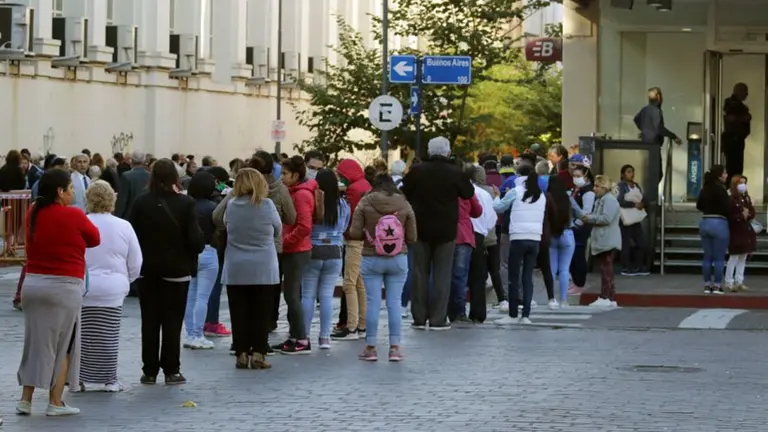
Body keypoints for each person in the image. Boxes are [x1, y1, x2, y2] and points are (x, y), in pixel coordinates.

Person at [16, 168, 101, 417]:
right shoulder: (73, 215)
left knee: (36, 344)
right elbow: (94, 238)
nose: (74, 193)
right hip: (64, 286)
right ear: (60, 192)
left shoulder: (33, 212)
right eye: (71, 189)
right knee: (65, 345)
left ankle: (25, 399)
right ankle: (55, 401)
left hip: (33, 284)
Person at [128, 159, 205, 385]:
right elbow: (195, 240)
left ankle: (149, 370)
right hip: (177, 270)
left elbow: (132, 236)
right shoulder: (186, 203)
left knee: (149, 321)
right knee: (173, 321)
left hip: (148, 270)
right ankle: (172, 369)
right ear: (175, 178)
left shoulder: (141, 203)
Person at [402, 137, 475, 330]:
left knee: (419, 272)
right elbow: (468, 193)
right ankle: (438, 318)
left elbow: (405, 191)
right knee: (442, 274)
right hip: (446, 229)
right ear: (447, 152)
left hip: (420, 228)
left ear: (429, 150)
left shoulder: (417, 172)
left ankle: (418, 317)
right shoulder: (455, 172)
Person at [78, 180, 141, 392]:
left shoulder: (81, 223)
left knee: (84, 336)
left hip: (84, 286)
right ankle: (109, 379)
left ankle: (81, 377)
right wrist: (128, 280)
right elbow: (136, 260)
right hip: (114, 286)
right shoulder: (124, 226)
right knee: (109, 334)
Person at [349, 174, 417, 361]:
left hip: (372, 258)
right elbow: (412, 237)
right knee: (394, 302)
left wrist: (368, 234)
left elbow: (354, 232)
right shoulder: (403, 203)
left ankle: (370, 347)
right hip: (398, 258)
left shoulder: (365, 202)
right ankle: (395, 348)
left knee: (373, 302)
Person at [221, 168, 281, 369]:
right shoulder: (267, 205)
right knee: (261, 312)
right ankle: (258, 353)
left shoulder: (231, 206)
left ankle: (240, 353)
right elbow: (278, 229)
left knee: (239, 312)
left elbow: (225, 225)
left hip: (236, 266)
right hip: (264, 265)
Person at [302, 169, 350, 350]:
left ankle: (304, 336)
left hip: (312, 249)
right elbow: (345, 226)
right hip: (335, 250)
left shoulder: (312, 202)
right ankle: (324, 338)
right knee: (327, 296)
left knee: (307, 294)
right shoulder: (343, 204)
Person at [492, 165, 547, 325]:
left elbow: (499, 208)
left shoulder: (515, 192)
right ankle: (526, 315)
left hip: (518, 237)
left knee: (513, 276)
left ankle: (513, 314)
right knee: (527, 277)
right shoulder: (541, 196)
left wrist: (496, 196)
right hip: (535, 238)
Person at [274, 155, 316, 355]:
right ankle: (293, 336)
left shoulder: (301, 195)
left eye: (285, 173)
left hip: (296, 251)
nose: (281, 177)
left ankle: (301, 338)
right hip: (291, 249)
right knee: (291, 295)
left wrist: (284, 242)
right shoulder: (292, 192)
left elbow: (304, 226)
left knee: (292, 296)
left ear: (296, 175)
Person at [332, 158, 372, 339]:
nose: (341, 179)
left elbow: (349, 217)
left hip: (354, 240)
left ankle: (352, 327)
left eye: (341, 175)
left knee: (349, 283)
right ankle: (362, 326)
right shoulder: (365, 185)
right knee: (359, 284)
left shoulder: (354, 190)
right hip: (364, 240)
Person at [183, 171, 220, 350]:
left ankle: (190, 334)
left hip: (190, 252)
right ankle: (198, 334)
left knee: (190, 296)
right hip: (208, 250)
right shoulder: (213, 207)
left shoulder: (187, 206)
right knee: (202, 297)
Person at [577, 175, 621, 307]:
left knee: (606, 269)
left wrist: (590, 219)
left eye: (597, 186)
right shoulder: (601, 200)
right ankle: (610, 297)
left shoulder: (609, 200)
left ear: (604, 187)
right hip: (602, 239)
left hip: (608, 239)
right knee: (605, 269)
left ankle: (606, 296)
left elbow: (606, 218)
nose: (594, 189)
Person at [465, 166, 497, 323]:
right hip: (479, 237)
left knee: (458, 275)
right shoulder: (484, 194)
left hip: (462, 235)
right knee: (478, 277)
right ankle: (478, 312)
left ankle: (456, 311)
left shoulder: (462, 193)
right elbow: (492, 219)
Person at [634, 87, 682, 182]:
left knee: (648, 173)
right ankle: (651, 195)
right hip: (654, 145)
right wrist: (673, 136)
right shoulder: (656, 111)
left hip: (645, 145)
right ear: (659, 97)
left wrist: (645, 130)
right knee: (657, 174)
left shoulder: (645, 109)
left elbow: (636, 119)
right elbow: (659, 128)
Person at [696, 165, 729, 294]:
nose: (726, 175)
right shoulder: (721, 190)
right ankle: (717, 285)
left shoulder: (705, 189)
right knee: (719, 257)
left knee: (707, 256)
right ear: (719, 175)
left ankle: (707, 284)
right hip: (719, 222)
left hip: (705, 222)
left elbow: (699, 205)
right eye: (725, 173)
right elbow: (727, 208)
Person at [547, 176, 576, 307]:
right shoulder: (568, 198)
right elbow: (581, 213)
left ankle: (551, 299)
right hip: (567, 233)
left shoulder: (547, 198)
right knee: (565, 269)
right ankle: (564, 300)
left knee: (552, 270)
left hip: (552, 235)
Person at [617, 164, 649, 276]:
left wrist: (642, 204)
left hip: (636, 218)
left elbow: (643, 198)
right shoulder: (621, 186)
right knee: (625, 244)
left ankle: (638, 266)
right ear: (623, 174)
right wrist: (633, 204)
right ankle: (625, 267)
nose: (631, 174)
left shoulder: (636, 185)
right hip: (625, 219)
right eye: (629, 172)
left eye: (632, 172)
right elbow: (620, 200)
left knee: (642, 243)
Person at [725, 175, 756, 292]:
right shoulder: (731, 198)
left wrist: (748, 215)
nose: (743, 186)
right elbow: (728, 214)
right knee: (734, 257)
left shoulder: (746, 198)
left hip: (745, 229)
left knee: (743, 256)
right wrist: (740, 216)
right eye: (740, 183)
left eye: (744, 183)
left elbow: (752, 211)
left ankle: (739, 281)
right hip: (735, 230)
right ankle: (729, 281)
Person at [569, 165, 595, 294]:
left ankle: (580, 283)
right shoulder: (576, 189)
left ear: (586, 176)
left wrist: (577, 224)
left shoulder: (588, 192)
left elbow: (586, 211)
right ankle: (575, 281)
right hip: (574, 226)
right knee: (573, 256)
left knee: (578, 256)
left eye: (578, 176)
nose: (576, 178)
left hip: (580, 228)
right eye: (574, 176)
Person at [722, 83, 750, 181]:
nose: (747, 94)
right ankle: (731, 190)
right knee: (733, 168)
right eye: (745, 92)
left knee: (737, 168)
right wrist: (744, 118)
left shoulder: (741, 107)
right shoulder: (730, 104)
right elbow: (730, 118)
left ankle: (734, 189)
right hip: (732, 141)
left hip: (737, 141)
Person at [116, 150, 150, 219]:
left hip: (130, 217)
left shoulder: (126, 176)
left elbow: (122, 201)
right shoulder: (150, 176)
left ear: (131, 160)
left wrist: (117, 217)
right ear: (144, 161)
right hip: (147, 216)